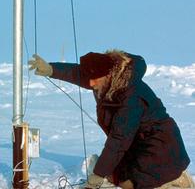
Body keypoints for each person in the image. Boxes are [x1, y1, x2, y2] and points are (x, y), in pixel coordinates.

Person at [29, 50, 191, 189]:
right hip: (136, 142)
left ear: (108, 75)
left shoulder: (130, 97)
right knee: (117, 174)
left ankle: (177, 181)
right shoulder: (106, 77)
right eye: (90, 78)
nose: (91, 83)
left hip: (160, 146)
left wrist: (98, 175)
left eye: (95, 79)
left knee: (132, 181)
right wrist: (51, 69)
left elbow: (119, 139)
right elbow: (81, 74)